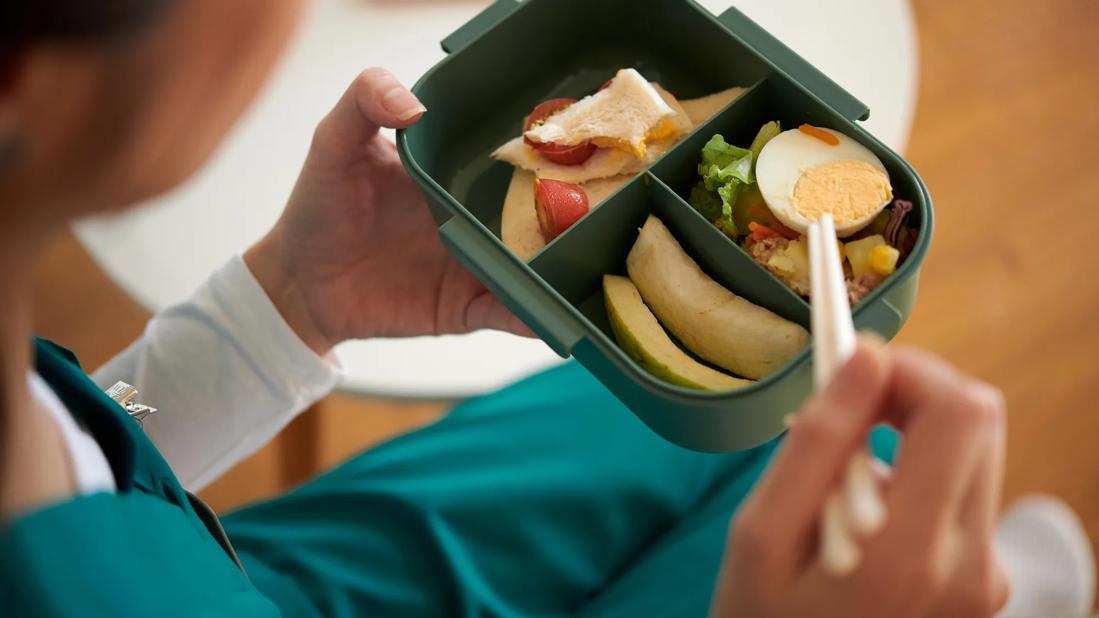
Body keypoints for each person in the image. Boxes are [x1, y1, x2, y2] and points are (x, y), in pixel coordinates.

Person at [0, 1, 1092, 616]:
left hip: (233, 575)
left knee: (776, 420)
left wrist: (282, 303)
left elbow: (86, 447)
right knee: (859, 456)